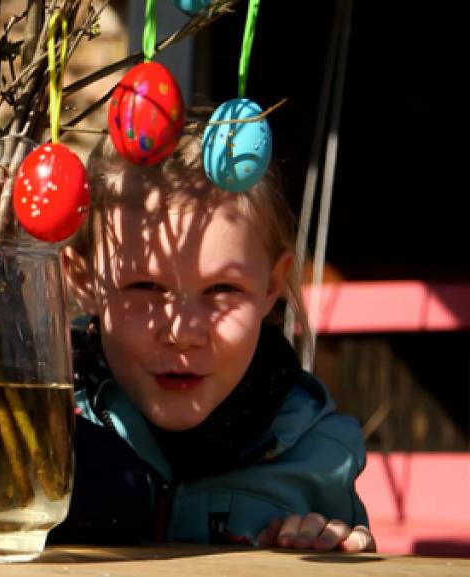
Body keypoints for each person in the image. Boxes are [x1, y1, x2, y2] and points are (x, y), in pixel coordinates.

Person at [56, 131, 374, 551]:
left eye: (222, 289)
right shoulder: (41, 434)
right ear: (83, 279)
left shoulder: (320, 461)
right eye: (146, 286)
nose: (183, 332)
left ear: (272, 285)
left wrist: (332, 550)